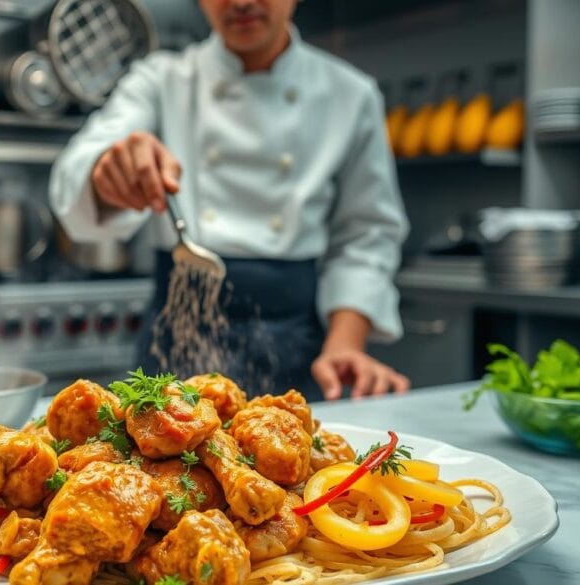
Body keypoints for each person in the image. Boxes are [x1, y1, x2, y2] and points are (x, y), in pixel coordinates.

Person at [50, 0, 410, 400]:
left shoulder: (351, 95)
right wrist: (109, 171)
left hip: (297, 346)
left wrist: (345, 344)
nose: (240, 2)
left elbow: (367, 234)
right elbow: (79, 167)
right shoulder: (160, 79)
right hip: (178, 330)